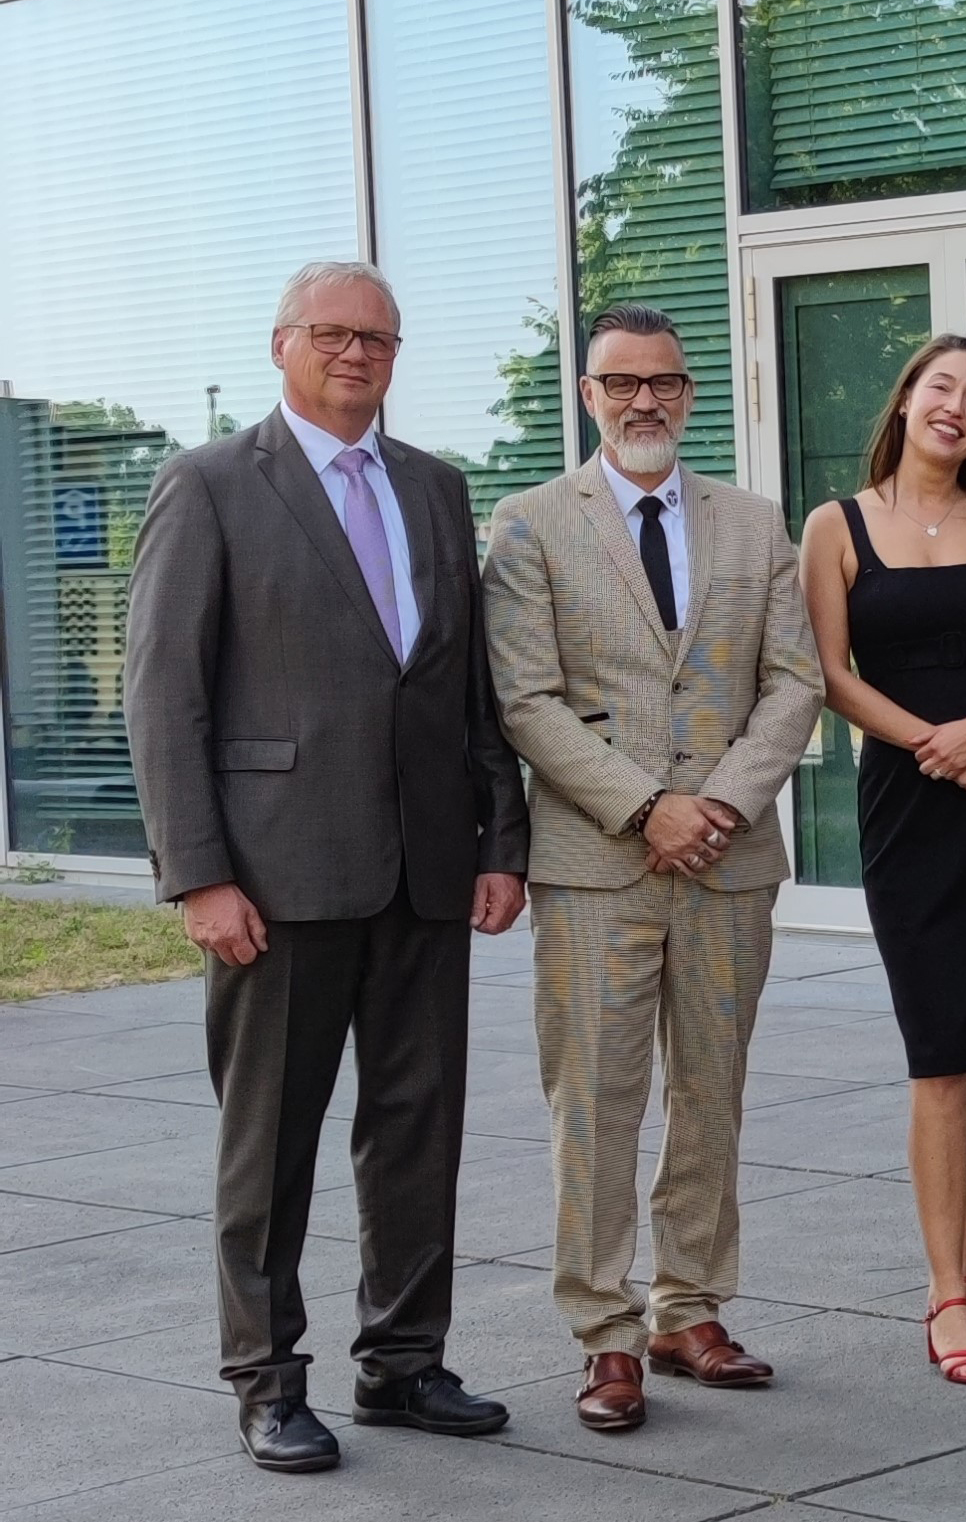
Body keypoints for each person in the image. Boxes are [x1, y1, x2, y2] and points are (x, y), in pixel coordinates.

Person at [125, 260, 530, 1474]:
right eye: (334, 334)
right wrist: (198, 874)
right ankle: (265, 1377)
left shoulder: (435, 489)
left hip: (424, 874)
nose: (358, 354)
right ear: (283, 344)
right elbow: (163, 698)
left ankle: (404, 1363)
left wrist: (498, 843)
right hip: (273, 879)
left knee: (418, 1128)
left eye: (380, 339)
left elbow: (468, 690)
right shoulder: (207, 487)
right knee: (272, 1142)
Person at [482, 305, 824, 1433]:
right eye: (621, 383)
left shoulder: (754, 524)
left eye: (665, 383)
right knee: (594, 1102)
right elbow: (523, 699)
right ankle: (604, 1332)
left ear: (690, 393)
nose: (645, 402)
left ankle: (687, 1310)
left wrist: (717, 802)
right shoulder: (531, 527)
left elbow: (795, 682)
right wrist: (645, 807)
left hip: (727, 862)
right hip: (594, 863)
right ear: (587, 395)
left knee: (709, 1095)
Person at [796, 334, 966, 1387]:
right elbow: (825, 671)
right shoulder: (835, 525)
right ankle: (942, 1291)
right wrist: (934, 744)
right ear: (905, 398)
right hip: (911, 804)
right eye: (940, 387)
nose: (957, 407)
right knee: (938, 1049)